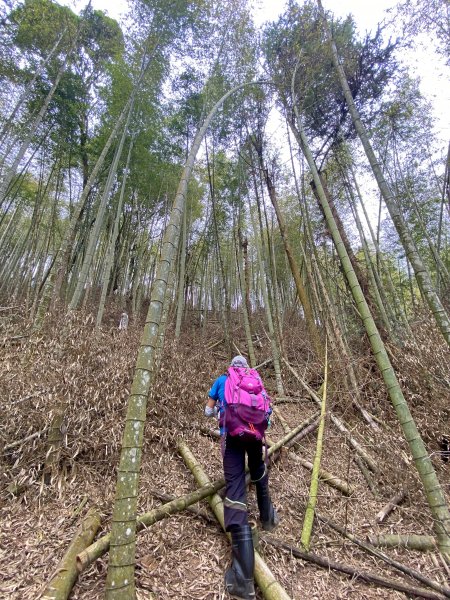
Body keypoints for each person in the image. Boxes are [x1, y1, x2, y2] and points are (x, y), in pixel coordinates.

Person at [205, 355, 279, 600]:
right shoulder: (256, 382)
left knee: (235, 490)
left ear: (232, 367)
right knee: (259, 472)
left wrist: (218, 410)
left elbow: (207, 411)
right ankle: (268, 519)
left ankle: (242, 579)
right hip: (255, 437)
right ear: (246, 368)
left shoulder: (222, 380)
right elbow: (268, 413)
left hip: (232, 437)